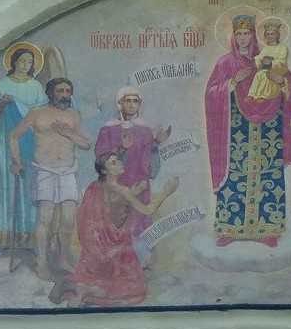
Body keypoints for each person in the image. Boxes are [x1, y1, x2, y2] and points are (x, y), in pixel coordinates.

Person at [205, 12, 291, 247]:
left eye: (246, 33)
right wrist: (234, 81)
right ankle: (230, 229)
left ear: (253, 35)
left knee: (269, 171)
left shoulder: (266, 58)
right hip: (236, 126)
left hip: (270, 124)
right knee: (235, 172)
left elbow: (288, 81)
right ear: (233, 36)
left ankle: (268, 229)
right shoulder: (225, 62)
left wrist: (280, 81)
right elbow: (211, 93)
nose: (243, 38)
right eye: (238, 34)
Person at [50, 153, 179, 307]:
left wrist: (135, 192)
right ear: (104, 171)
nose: (119, 163)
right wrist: (166, 192)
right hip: (116, 246)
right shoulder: (123, 191)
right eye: (113, 163)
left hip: (99, 246)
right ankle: (84, 289)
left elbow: (114, 204)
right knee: (133, 289)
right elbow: (147, 210)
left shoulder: (96, 186)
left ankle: (68, 284)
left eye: (117, 160)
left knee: (103, 280)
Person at [9, 77, 92, 280]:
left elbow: (86, 144)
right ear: (50, 93)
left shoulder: (73, 115)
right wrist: (16, 161)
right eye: (60, 91)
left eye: (67, 91)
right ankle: (42, 263)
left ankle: (63, 260)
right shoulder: (37, 113)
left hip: (68, 170)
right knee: (45, 218)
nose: (64, 95)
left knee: (68, 219)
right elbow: (13, 135)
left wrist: (70, 133)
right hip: (44, 170)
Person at [0, 43, 48, 257]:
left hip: (28, 143)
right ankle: (0, 239)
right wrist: (0, 106)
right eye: (22, 61)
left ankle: (30, 239)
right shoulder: (0, 85)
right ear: (13, 62)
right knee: (1, 186)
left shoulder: (36, 87)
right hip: (2, 144)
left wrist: (20, 109)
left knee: (29, 188)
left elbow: (42, 114)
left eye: (29, 62)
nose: (25, 65)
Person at [94, 86, 171, 255]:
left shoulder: (144, 129)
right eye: (127, 101)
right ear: (120, 104)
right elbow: (100, 155)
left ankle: (142, 256)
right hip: (118, 180)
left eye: (135, 101)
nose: (131, 105)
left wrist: (157, 142)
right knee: (118, 215)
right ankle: (119, 256)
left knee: (140, 216)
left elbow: (148, 152)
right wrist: (121, 148)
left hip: (139, 179)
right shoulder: (108, 128)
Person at [247, 19, 289, 101]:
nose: (270, 36)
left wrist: (271, 63)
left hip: (276, 71)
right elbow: (260, 57)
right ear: (265, 36)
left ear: (277, 35)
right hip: (265, 69)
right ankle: (252, 94)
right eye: (267, 34)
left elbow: (282, 62)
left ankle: (263, 95)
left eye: (272, 34)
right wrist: (253, 59)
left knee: (264, 76)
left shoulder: (282, 48)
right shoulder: (266, 48)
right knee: (258, 74)